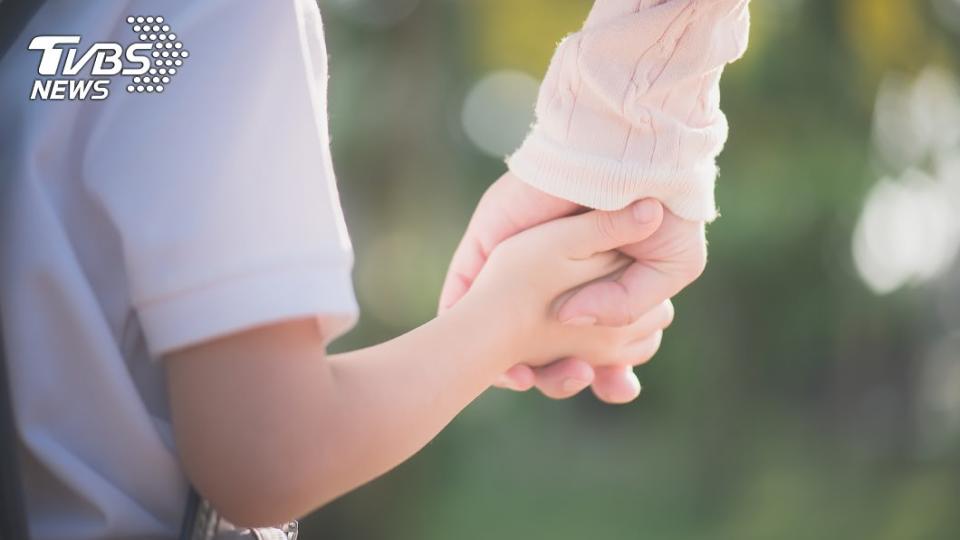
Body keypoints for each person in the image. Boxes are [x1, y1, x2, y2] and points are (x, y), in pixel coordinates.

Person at [0, 0, 748, 537]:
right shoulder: (224, 18)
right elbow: (266, 453)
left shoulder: (52, 41)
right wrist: (506, 318)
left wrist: (609, 144)